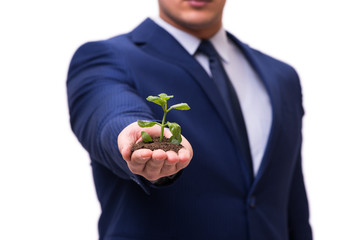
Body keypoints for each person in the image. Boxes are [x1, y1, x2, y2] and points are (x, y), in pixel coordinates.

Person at [67, 0, 312, 239]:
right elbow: (109, 112)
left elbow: (293, 204)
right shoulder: (105, 57)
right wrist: (133, 136)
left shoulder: (282, 77)